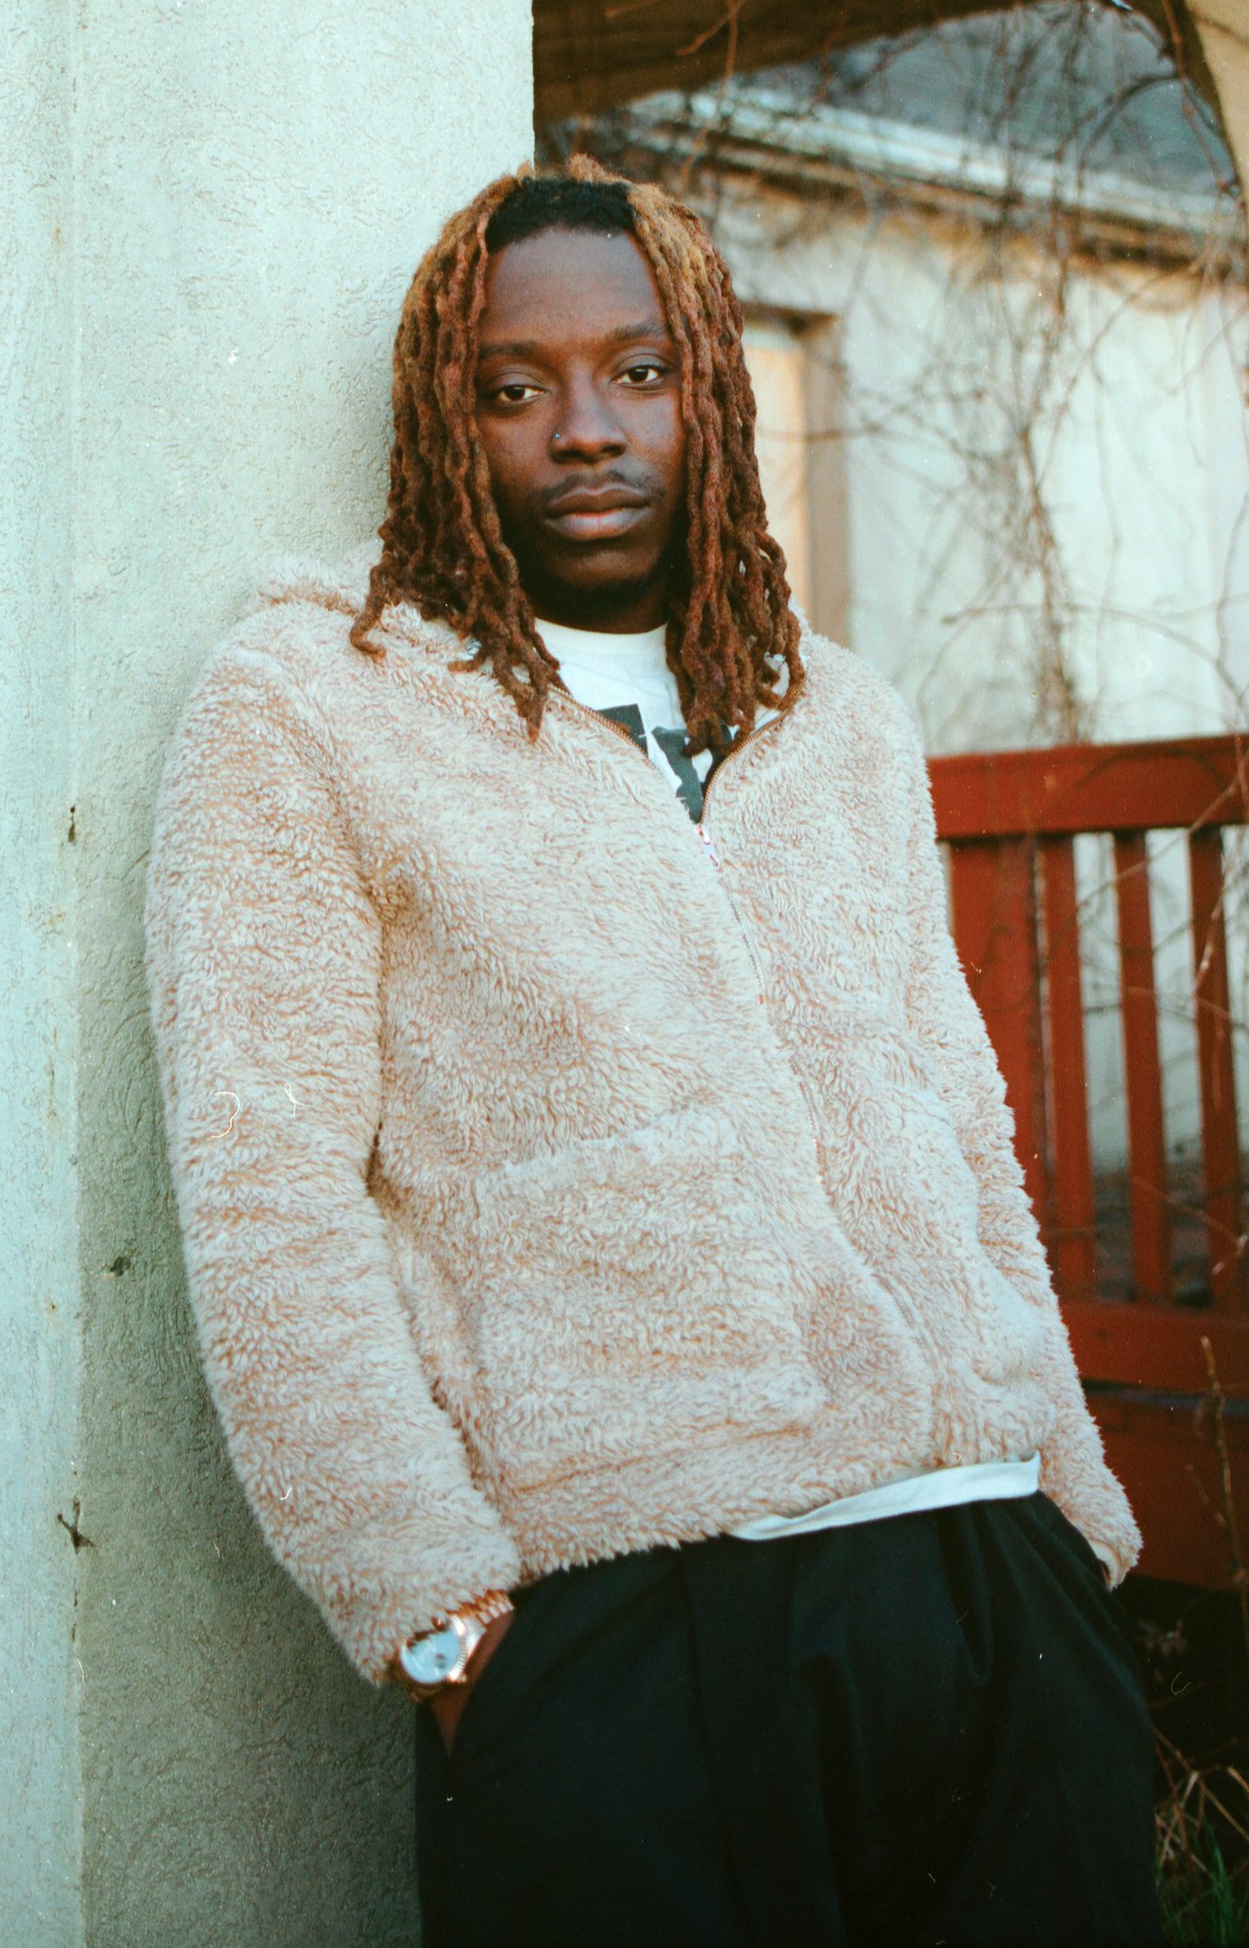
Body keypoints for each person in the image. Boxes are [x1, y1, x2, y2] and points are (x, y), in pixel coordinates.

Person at [145, 158, 1160, 1946]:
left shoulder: (833, 715)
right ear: (442, 419)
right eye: (513, 386)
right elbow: (268, 1183)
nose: (586, 429)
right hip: (636, 1619)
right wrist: (431, 1610)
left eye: (638, 370)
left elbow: (956, 1113)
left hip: (988, 1574)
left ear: (710, 389)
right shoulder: (314, 706)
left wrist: (1069, 1502)